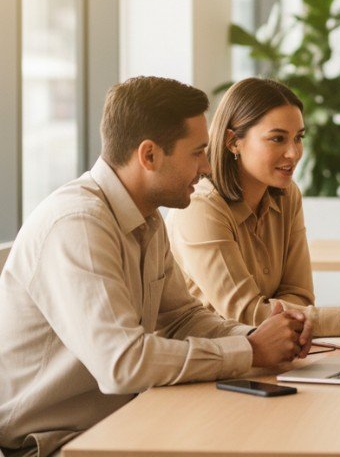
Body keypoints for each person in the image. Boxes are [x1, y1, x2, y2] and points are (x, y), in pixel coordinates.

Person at [0, 77, 313, 457]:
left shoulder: (147, 220)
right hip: (58, 443)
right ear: (149, 155)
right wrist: (249, 351)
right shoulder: (78, 224)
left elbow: (182, 319)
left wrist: (258, 335)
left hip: (125, 422)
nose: (207, 167)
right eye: (198, 152)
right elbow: (123, 363)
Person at [166, 78, 340, 336]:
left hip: (271, 354)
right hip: (213, 360)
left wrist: (283, 315)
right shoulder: (200, 207)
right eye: (277, 139)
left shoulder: (287, 195)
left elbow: (300, 295)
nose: (293, 153)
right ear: (233, 142)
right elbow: (246, 314)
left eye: (298, 138)